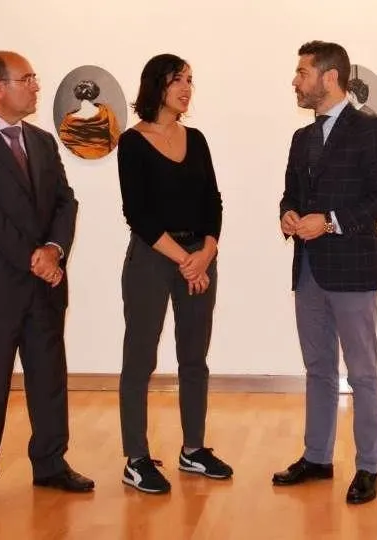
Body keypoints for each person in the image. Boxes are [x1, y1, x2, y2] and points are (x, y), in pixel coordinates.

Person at [0, 50, 94, 517]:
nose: (35, 86)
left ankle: (50, 463)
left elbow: (66, 203)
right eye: (27, 79)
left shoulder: (44, 142)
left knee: (49, 381)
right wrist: (33, 256)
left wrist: (55, 251)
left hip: (44, 286)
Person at [273, 40, 377, 505]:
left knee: (363, 373)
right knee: (318, 369)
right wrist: (288, 215)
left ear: (329, 78)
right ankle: (317, 457)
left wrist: (328, 221)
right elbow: (290, 194)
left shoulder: (369, 130)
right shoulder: (300, 139)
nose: (295, 81)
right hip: (308, 269)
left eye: (302, 72)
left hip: (353, 269)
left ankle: (369, 466)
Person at [116, 53, 233, 494]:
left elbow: (213, 203)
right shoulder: (132, 142)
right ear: (155, 87)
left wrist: (205, 253)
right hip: (152, 258)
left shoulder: (197, 139)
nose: (186, 87)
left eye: (190, 79)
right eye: (177, 80)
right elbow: (138, 215)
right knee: (140, 359)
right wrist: (184, 260)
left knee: (194, 358)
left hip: (200, 257)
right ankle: (136, 457)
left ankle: (194, 450)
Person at [58, 79, 122, 159]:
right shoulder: (106, 112)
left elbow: (64, 143)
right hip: (104, 155)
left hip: (77, 158)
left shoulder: (68, 120)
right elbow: (115, 137)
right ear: (94, 93)